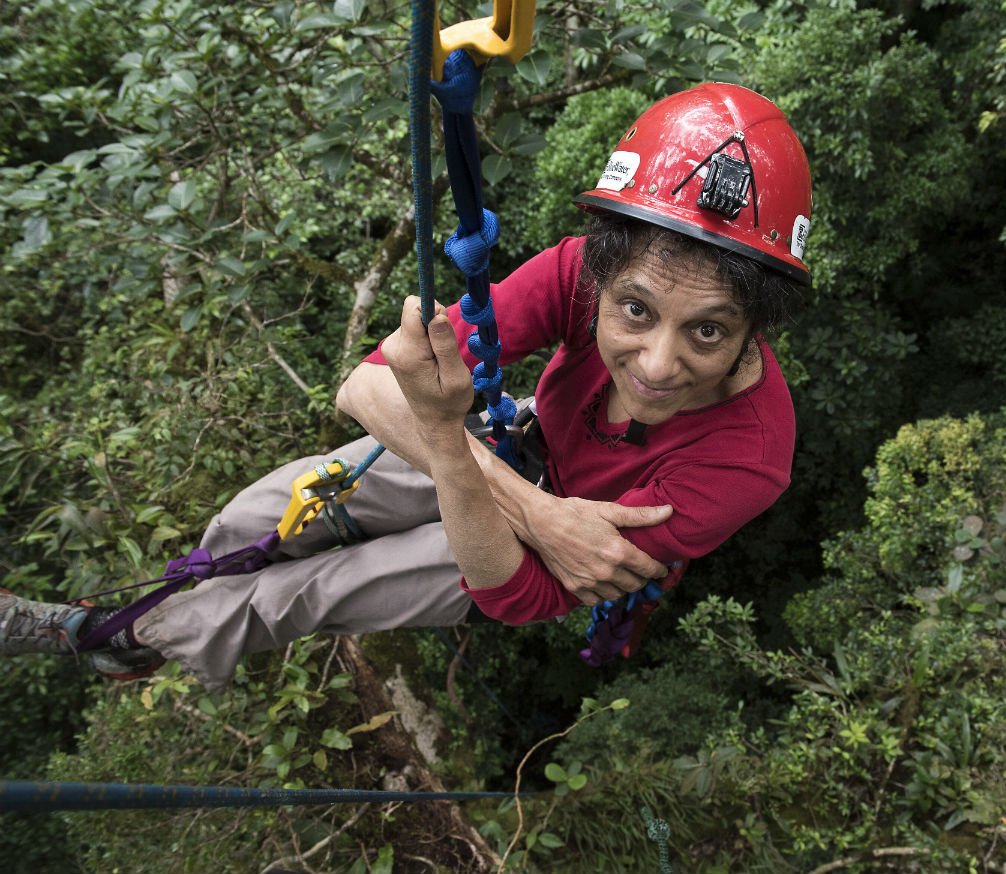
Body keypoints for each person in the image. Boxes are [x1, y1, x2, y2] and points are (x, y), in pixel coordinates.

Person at [0, 83, 812, 692]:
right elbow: (366, 388)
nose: (660, 364)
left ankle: (108, 638)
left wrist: (501, 498)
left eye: (707, 330)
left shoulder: (749, 457)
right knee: (264, 512)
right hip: (520, 459)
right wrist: (539, 508)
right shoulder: (578, 271)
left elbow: (518, 597)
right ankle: (165, 606)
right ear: (602, 274)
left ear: (756, 327)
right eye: (636, 311)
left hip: (519, 552)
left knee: (308, 592)